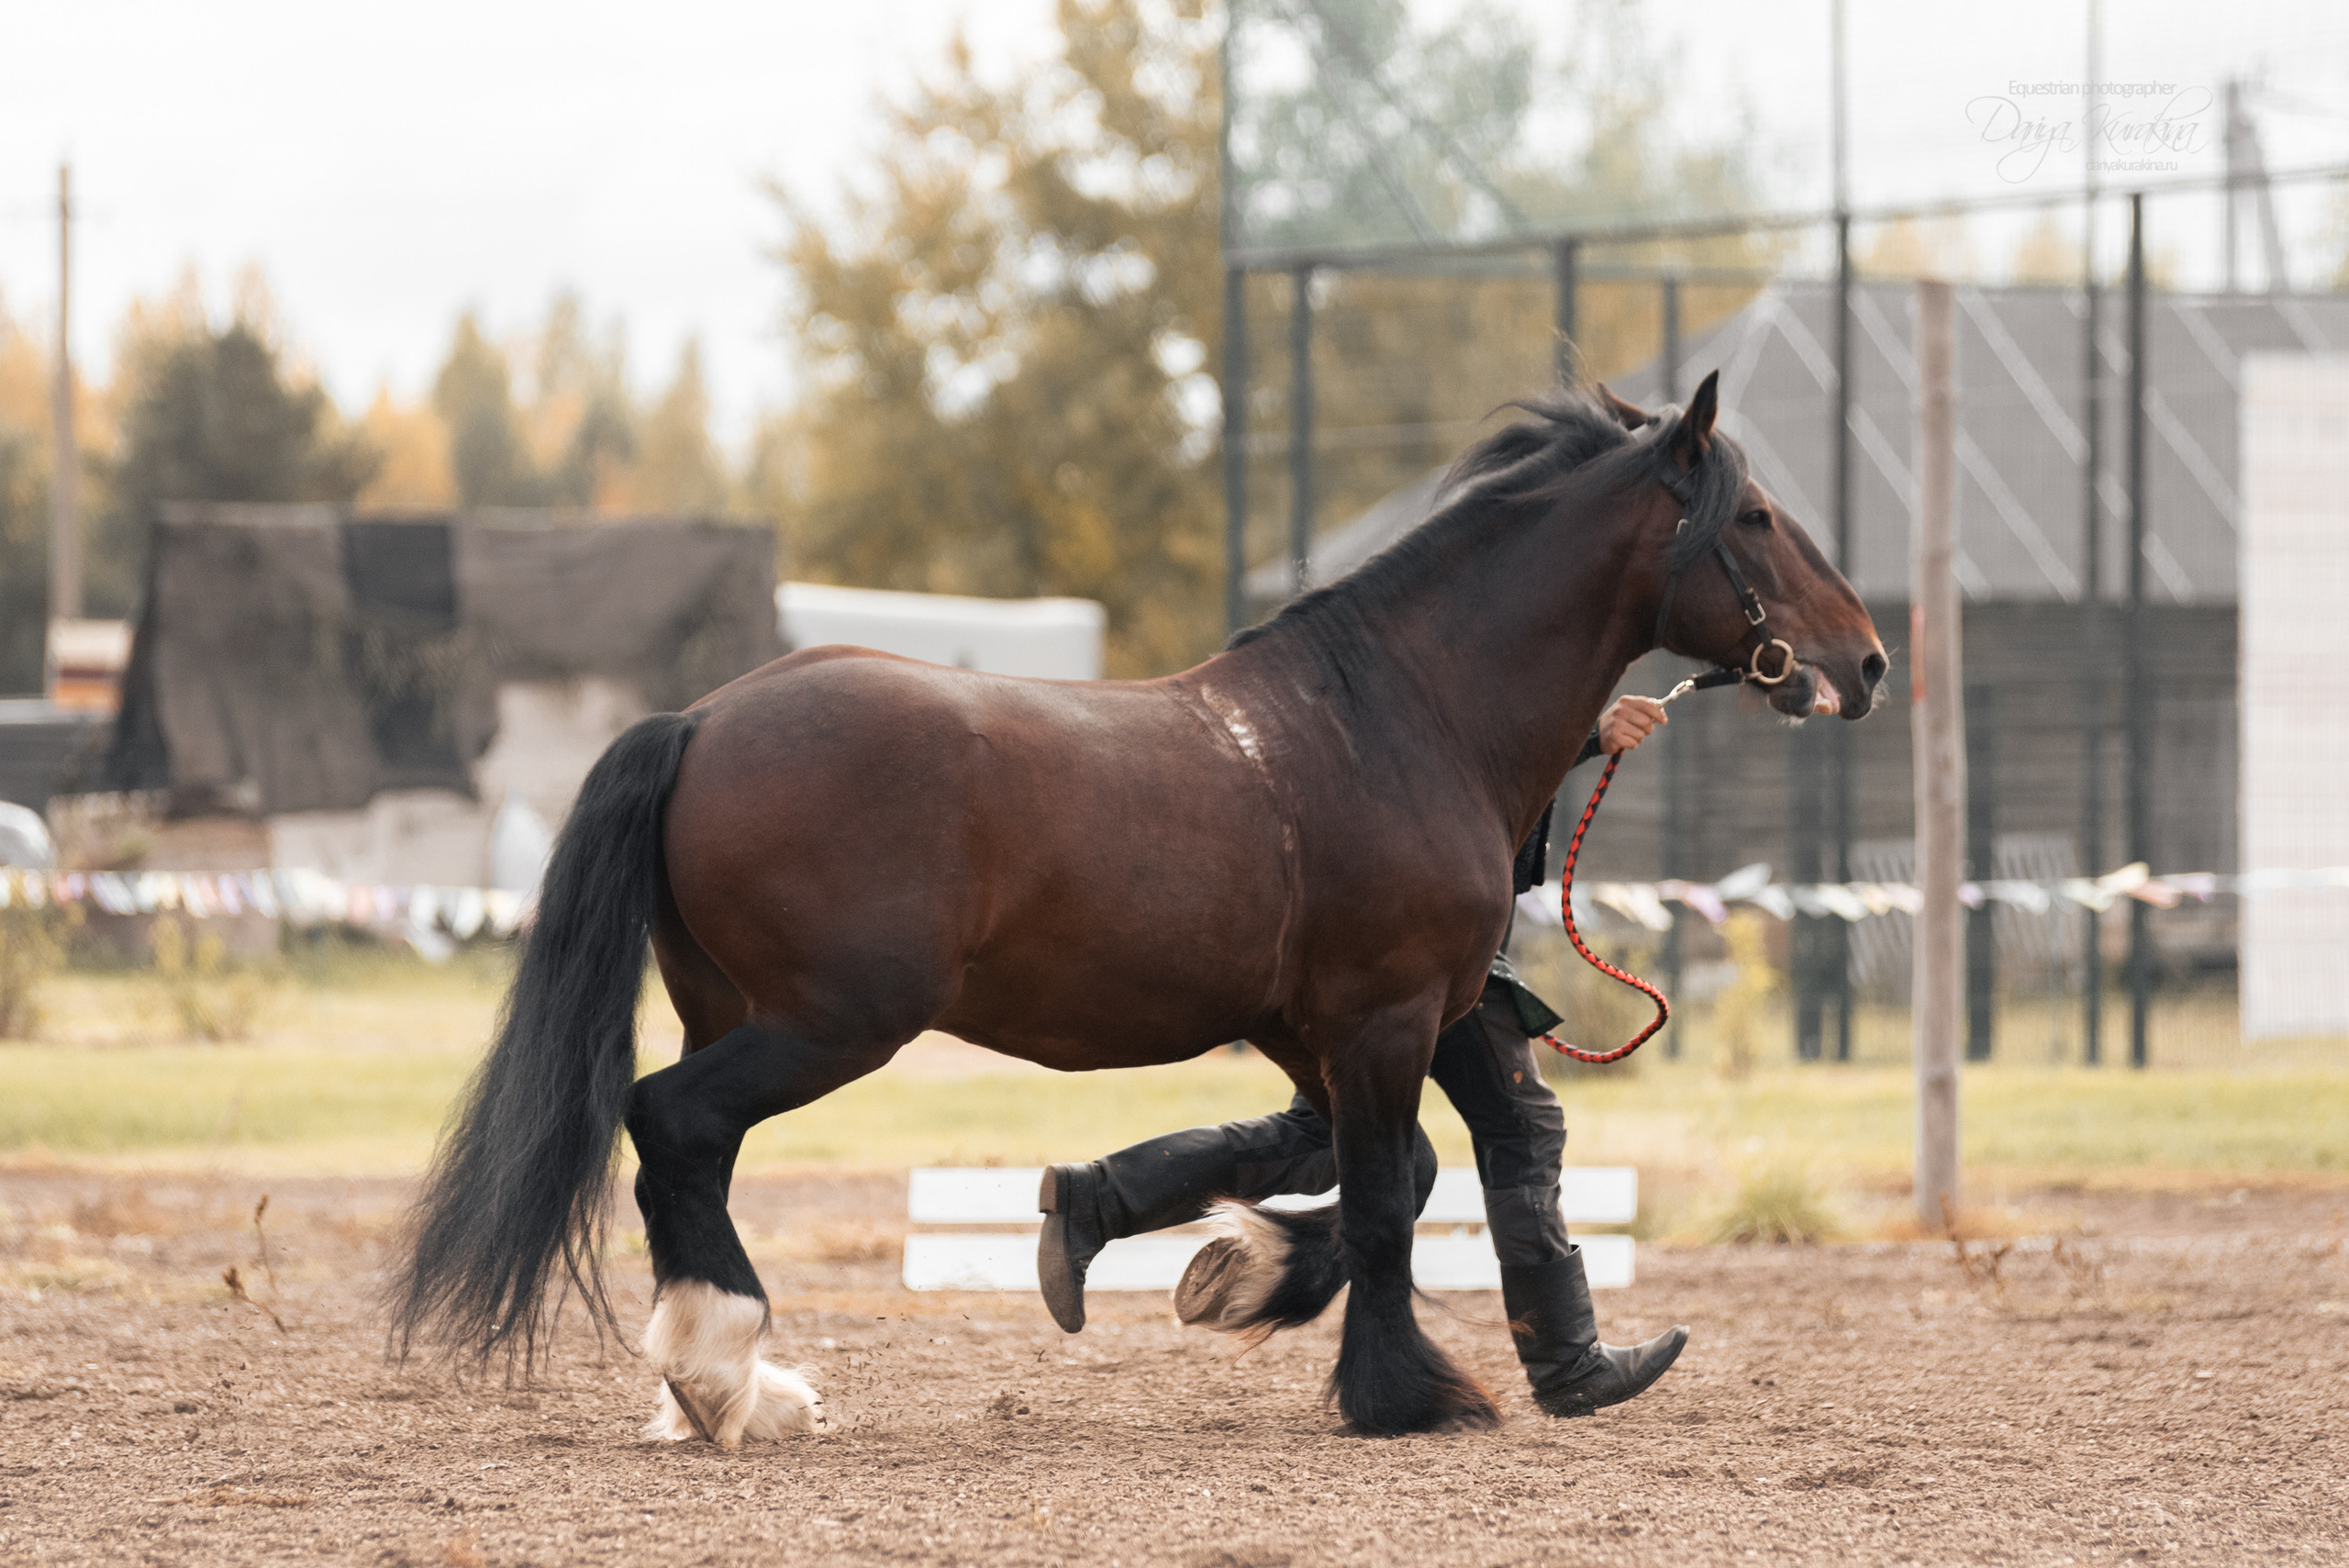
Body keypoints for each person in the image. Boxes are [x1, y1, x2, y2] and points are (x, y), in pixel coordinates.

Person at [1037, 694, 1686, 1418]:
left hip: (1400, 919)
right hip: (1424, 930)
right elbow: (1470, 742)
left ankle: (1102, 1199)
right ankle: (1568, 1364)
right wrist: (1589, 734)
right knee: (1517, 1126)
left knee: (1336, 1135)